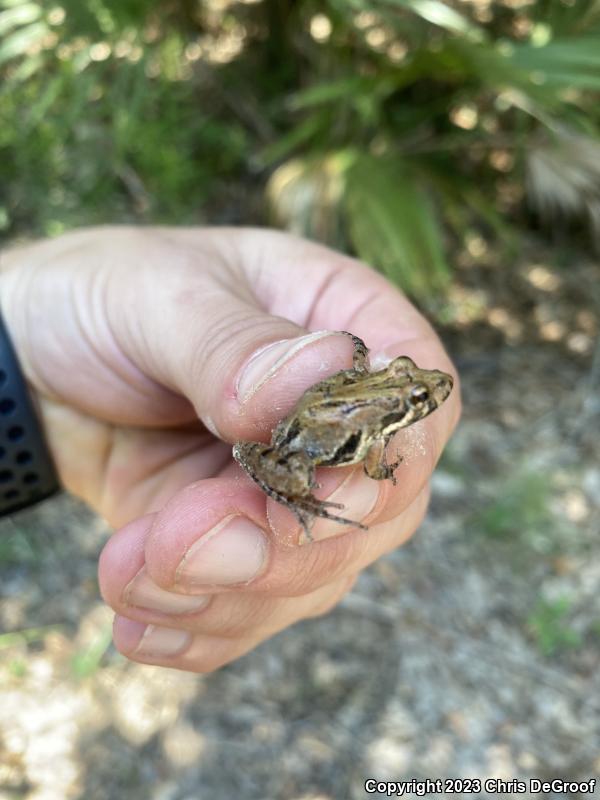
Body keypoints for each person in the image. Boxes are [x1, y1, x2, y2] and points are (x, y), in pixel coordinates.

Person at [0, 225, 460, 672]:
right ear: (396, 405)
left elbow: (350, 370)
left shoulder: (367, 390)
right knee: (309, 498)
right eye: (416, 397)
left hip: (292, 426)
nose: (429, 393)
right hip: (294, 446)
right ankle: (295, 497)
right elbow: (377, 472)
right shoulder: (379, 434)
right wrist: (388, 466)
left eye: (418, 395)